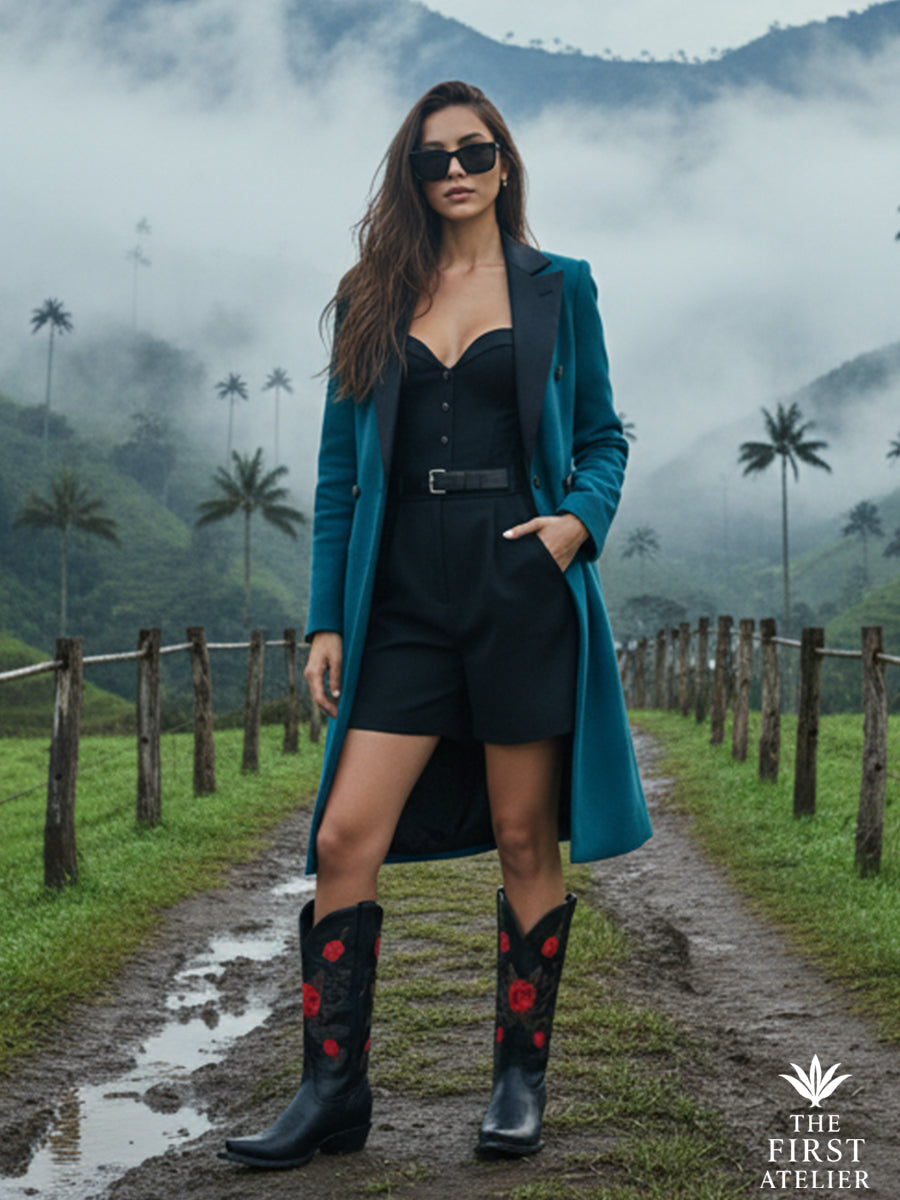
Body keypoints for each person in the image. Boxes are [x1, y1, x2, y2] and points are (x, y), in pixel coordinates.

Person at [221, 79, 651, 1171]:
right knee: (341, 838)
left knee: (521, 837)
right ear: (411, 177)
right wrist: (326, 619)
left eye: (474, 150)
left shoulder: (563, 287)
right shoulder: (375, 291)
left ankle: (516, 1086)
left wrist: (576, 527)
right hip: (401, 594)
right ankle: (332, 1093)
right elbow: (334, 475)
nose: (454, 170)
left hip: (520, 582)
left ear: (505, 161)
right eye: (432, 158)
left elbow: (603, 434)